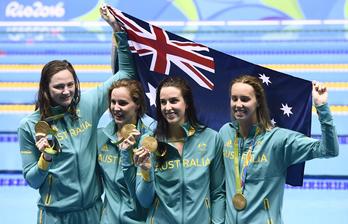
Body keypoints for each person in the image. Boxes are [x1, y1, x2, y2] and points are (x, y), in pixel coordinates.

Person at [17, 6, 136, 223]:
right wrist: (46, 158)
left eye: (70, 85)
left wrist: (117, 29)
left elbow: (126, 73)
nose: (66, 91)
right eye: (59, 87)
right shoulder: (29, 126)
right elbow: (33, 181)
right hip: (54, 215)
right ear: (46, 89)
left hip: (91, 211)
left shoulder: (88, 104)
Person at [219, 75, 339, 224]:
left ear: (258, 102)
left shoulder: (279, 140)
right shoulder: (225, 133)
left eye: (245, 99)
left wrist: (322, 108)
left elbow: (329, 150)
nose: (238, 104)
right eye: (234, 98)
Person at [133, 76, 225, 224]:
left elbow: (218, 193)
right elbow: (144, 201)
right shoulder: (148, 142)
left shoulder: (211, 139)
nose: (167, 107)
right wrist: (146, 172)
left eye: (174, 101)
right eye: (163, 102)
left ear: (187, 103)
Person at [97, 78, 156, 224]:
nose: (116, 108)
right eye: (113, 102)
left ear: (137, 105)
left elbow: (145, 199)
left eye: (122, 103)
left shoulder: (151, 140)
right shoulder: (101, 136)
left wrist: (127, 154)